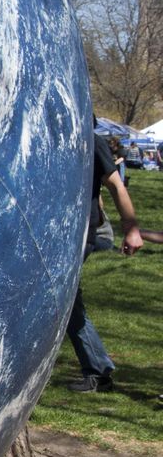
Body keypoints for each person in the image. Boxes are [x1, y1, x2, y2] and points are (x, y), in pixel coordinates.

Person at [65, 127, 143, 392]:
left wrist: (131, 229)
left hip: (77, 235)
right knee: (67, 303)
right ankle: (97, 369)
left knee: (65, 301)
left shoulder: (91, 140)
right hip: (53, 233)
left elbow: (116, 185)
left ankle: (97, 369)